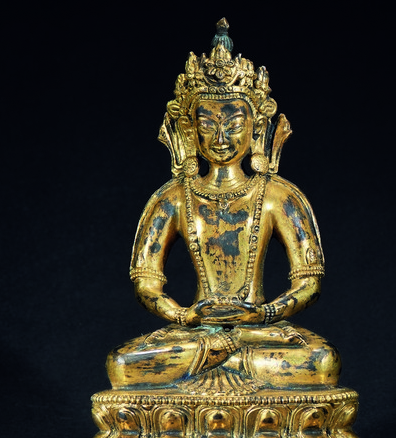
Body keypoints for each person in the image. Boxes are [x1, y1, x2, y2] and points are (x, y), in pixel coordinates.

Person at [107, 20, 340, 395]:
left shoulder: (279, 196)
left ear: (256, 127)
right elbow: (145, 282)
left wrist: (262, 313)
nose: (220, 138)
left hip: (257, 332)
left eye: (233, 124)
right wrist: (185, 315)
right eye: (207, 124)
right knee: (122, 365)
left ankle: (220, 362)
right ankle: (221, 359)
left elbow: (309, 282)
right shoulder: (172, 198)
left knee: (321, 362)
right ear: (189, 129)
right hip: (197, 333)